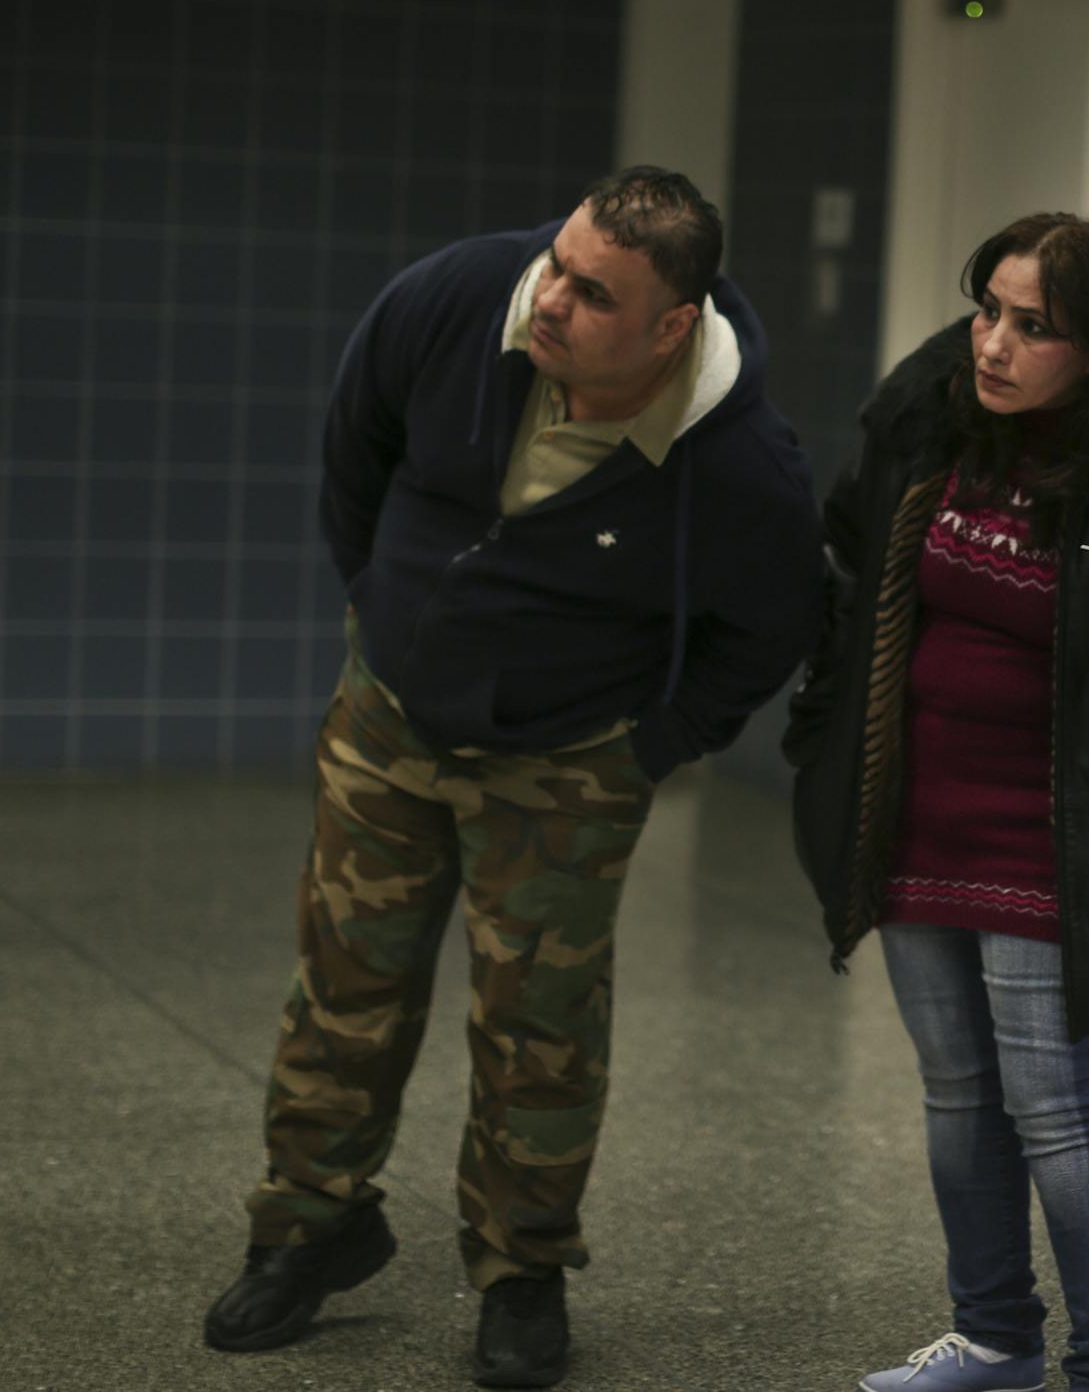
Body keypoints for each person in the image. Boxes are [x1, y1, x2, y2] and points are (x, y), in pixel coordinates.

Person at [203, 168, 823, 1389]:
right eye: (559, 260)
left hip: (566, 755)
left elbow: (775, 624)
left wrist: (650, 746)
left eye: (594, 293)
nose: (552, 297)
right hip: (390, 716)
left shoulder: (739, 456)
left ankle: (522, 1270)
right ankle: (309, 1227)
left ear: (670, 328)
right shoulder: (456, 297)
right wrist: (385, 612)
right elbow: (355, 449)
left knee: (540, 1027)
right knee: (343, 985)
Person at [783, 214, 1089, 1392]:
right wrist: (822, 724)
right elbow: (845, 572)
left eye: (1033, 326)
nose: (993, 345)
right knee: (959, 1096)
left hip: (1060, 836)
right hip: (916, 813)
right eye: (986, 310)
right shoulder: (927, 420)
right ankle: (996, 1337)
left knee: (1057, 1106)